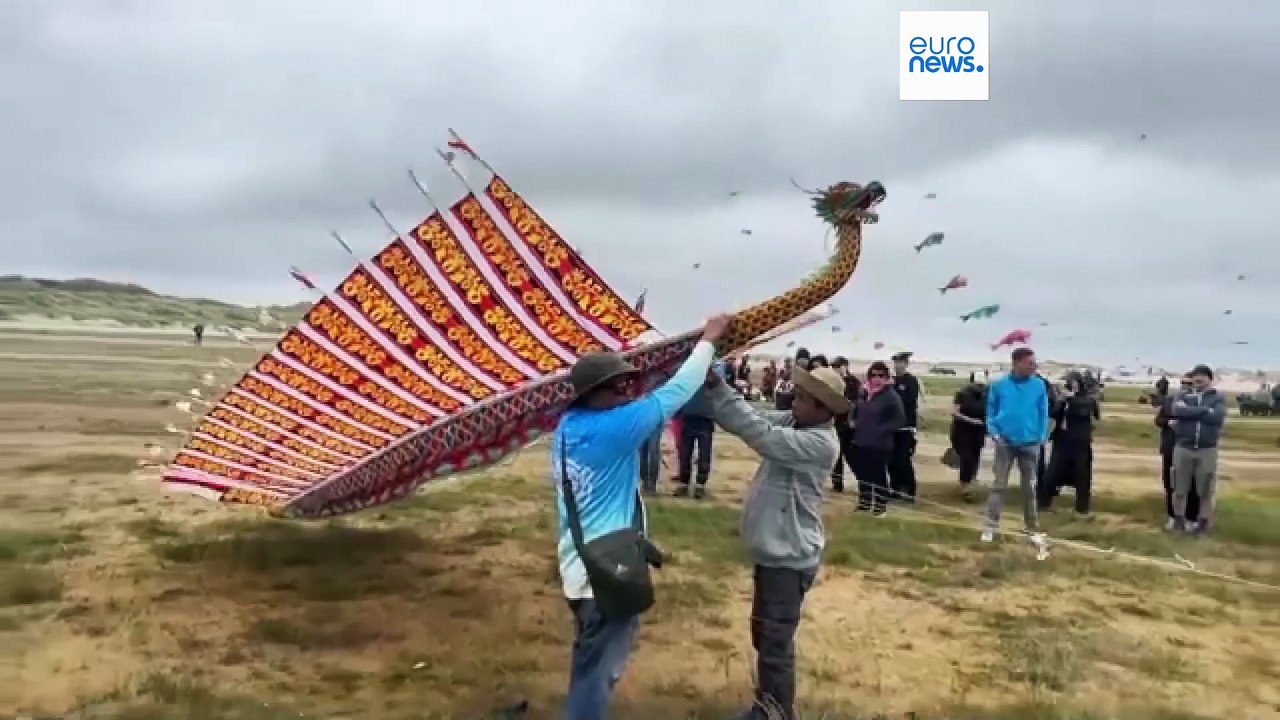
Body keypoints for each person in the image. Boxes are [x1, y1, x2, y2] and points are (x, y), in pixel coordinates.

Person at [552, 313, 732, 720]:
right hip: (609, 571)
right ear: (594, 394)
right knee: (600, 675)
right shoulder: (617, 426)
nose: (626, 390)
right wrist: (709, 340)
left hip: (578, 565)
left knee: (587, 662)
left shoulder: (569, 425)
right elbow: (678, 391)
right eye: (617, 385)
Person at [703, 362, 849, 720]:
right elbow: (751, 417)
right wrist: (714, 388)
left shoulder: (819, 443)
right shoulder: (797, 423)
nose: (793, 402)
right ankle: (770, 705)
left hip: (789, 557)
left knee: (774, 642)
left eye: (801, 399)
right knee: (765, 634)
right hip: (775, 554)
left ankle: (775, 711)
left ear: (823, 409)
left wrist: (718, 387)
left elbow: (758, 433)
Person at [982, 347, 1049, 552]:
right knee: (999, 486)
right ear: (1016, 363)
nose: (1034, 366)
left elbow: (1043, 412)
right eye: (1030, 363)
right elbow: (990, 412)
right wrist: (994, 433)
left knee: (1029, 488)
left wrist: (1041, 436)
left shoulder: (1039, 385)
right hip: (1005, 443)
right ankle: (990, 526)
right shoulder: (999, 386)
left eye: (1034, 363)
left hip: (1030, 444)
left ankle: (1032, 529)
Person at [1169, 364, 1227, 534]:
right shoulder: (1182, 395)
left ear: (1210, 379)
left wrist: (1190, 412)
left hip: (1207, 449)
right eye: (1196, 376)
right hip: (1183, 447)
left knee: (1206, 489)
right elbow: (1177, 410)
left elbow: (1217, 417)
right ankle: (1178, 521)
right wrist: (1203, 411)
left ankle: (1203, 524)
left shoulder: (1218, 397)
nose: (1198, 379)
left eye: (1202, 376)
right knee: (1179, 486)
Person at [1038, 371, 1100, 516]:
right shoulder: (1064, 399)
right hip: (1062, 440)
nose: (1071, 385)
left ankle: (1082, 508)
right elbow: (1053, 413)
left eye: (1073, 382)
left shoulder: (1087, 399)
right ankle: (1044, 503)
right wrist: (1060, 401)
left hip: (1080, 442)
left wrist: (1070, 399)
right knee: (1052, 473)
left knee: (1082, 474)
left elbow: (1086, 411)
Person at [850, 361, 905, 515]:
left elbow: (899, 419)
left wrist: (881, 429)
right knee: (863, 475)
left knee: (878, 476)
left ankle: (880, 507)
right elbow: (856, 409)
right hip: (861, 440)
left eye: (881, 375)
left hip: (880, 444)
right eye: (873, 375)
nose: (876, 378)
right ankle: (864, 504)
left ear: (886, 377)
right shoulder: (864, 392)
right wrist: (853, 421)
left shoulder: (891, 396)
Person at [1156, 373, 1200, 529]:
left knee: (1192, 484)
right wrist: (1169, 422)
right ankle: (1172, 516)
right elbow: (1158, 420)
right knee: (1169, 483)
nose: (1186, 386)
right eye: (1184, 383)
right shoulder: (1169, 401)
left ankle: (1191, 518)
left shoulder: (1198, 403)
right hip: (1170, 447)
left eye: (1190, 383)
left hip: (1190, 448)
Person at [673, 366, 719, 498]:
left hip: (705, 418)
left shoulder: (713, 373)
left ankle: (700, 485)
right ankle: (683, 483)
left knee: (704, 454)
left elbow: (716, 385)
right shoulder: (688, 372)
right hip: (689, 418)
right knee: (685, 453)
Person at [888, 351, 921, 503]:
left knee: (903, 459)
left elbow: (909, 401)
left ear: (906, 364)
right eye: (896, 362)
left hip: (905, 427)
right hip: (890, 427)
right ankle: (894, 489)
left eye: (901, 362)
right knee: (891, 460)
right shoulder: (890, 381)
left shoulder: (911, 381)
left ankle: (909, 490)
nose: (898, 365)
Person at [950, 372, 987, 490]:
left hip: (979, 431)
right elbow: (955, 413)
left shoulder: (987, 395)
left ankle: (972, 480)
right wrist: (971, 420)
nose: (979, 387)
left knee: (976, 455)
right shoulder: (962, 394)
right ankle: (965, 482)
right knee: (966, 457)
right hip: (962, 430)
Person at [827, 357, 859, 492]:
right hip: (835, 422)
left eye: (837, 366)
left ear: (845, 367)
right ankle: (837, 483)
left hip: (848, 424)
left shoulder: (853, 382)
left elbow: (851, 403)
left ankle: (864, 482)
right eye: (833, 367)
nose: (835, 369)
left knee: (851, 456)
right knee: (836, 455)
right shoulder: (832, 382)